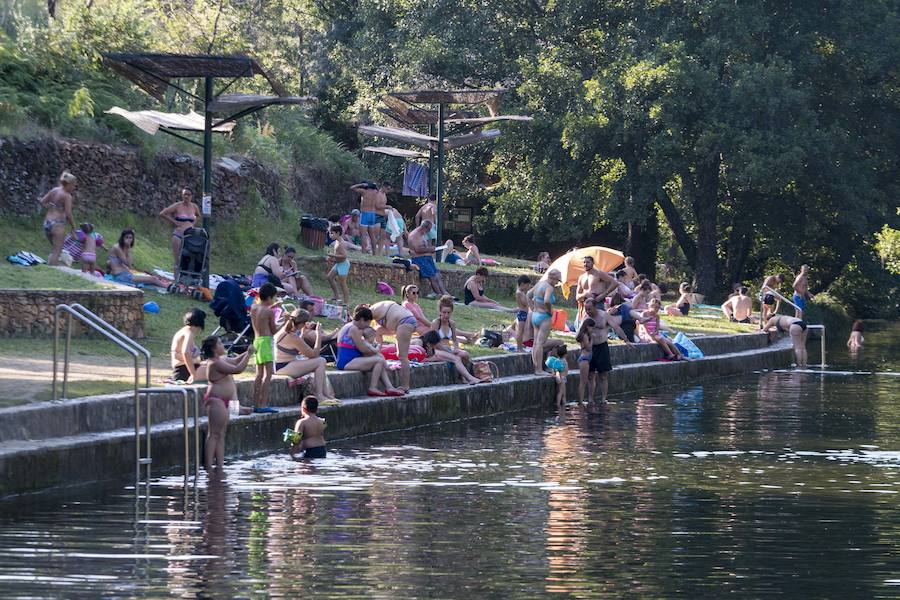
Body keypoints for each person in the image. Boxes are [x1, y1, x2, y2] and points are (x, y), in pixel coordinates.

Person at [199, 335, 255, 471]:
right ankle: (208, 468)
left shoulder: (222, 359)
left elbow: (235, 361)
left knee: (221, 434)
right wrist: (249, 354)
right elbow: (238, 369)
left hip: (225, 402)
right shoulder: (214, 363)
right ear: (213, 349)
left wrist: (247, 351)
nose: (223, 345)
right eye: (220, 344)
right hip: (217, 401)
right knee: (213, 434)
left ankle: (219, 466)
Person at [335, 305, 405, 397]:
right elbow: (363, 349)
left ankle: (389, 387)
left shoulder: (348, 326)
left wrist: (376, 353)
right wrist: (376, 351)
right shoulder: (354, 329)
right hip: (346, 362)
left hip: (350, 359)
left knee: (378, 359)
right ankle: (373, 387)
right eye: (368, 322)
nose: (368, 326)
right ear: (362, 320)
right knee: (378, 360)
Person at [273, 308, 333, 401]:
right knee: (321, 361)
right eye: (306, 322)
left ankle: (327, 395)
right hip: (282, 366)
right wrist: (318, 335)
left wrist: (303, 334)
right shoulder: (293, 337)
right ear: (301, 323)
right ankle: (319, 395)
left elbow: (297, 349)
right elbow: (314, 355)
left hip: (280, 365)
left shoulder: (284, 330)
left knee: (317, 362)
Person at [583, 297, 633, 405]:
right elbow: (580, 332)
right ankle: (590, 399)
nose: (588, 311)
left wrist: (626, 340)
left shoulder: (604, 315)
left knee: (603, 375)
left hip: (602, 347)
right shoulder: (586, 317)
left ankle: (603, 399)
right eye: (586, 309)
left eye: (589, 309)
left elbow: (616, 327)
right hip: (591, 348)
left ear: (595, 307)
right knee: (590, 375)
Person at [370, 300, 418, 392]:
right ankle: (378, 354)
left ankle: (405, 386)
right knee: (377, 331)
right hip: (402, 322)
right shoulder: (378, 310)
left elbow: (363, 330)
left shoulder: (372, 310)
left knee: (402, 356)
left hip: (404, 322)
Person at [159, 188, 201, 276]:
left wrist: (193, 223)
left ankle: (186, 279)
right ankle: (176, 281)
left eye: (188, 194)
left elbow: (198, 216)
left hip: (190, 237)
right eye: (185, 194)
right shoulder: (177, 205)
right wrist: (175, 222)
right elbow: (162, 213)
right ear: (182, 195)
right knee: (177, 260)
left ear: (191, 196)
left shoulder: (194, 207)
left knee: (188, 258)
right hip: (178, 235)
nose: (186, 196)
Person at [250, 283, 279, 413]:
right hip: (267, 342)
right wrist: (285, 321)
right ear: (269, 297)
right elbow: (273, 331)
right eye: (274, 298)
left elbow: (263, 313)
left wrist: (274, 306)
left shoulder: (254, 308)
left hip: (257, 341)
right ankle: (263, 404)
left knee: (258, 375)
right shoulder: (269, 312)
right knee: (268, 375)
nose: (274, 300)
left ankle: (255, 404)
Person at [40, 171, 77, 266]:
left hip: (47, 222)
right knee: (57, 251)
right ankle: (53, 271)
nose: (74, 188)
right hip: (57, 224)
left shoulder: (54, 190)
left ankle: (53, 268)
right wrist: (73, 227)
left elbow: (42, 202)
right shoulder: (67, 195)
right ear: (68, 184)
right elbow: (68, 213)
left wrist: (53, 207)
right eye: (73, 185)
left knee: (55, 249)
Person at [408, 220, 452, 297]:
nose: (429, 231)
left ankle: (445, 293)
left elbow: (423, 247)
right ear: (424, 227)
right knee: (433, 277)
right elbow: (417, 250)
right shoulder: (415, 235)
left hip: (427, 258)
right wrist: (430, 249)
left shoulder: (422, 234)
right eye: (429, 229)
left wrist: (430, 250)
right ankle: (439, 295)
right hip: (420, 259)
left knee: (437, 275)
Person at [531, 268, 562, 375]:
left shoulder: (539, 284)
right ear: (553, 278)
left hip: (535, 315)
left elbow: (528, 295)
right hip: (544, 317)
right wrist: (549, 311)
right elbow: (547, 300)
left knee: (535, 343)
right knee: (540, 343)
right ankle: (539, 370)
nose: (557, 283)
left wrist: (533, 308)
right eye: (558, 280)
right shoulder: (549, 287)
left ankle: (536, 368)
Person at [350, 181, 390, 255]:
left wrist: (361, 184)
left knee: (363, 235)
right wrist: (373, 186)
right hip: (372, 214)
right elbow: (377, 188)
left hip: (365, 214)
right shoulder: (376, 192)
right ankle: (375, 253)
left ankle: (364, 252)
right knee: (372, 236)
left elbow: (352, 188)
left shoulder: (364, 191)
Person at [574, 256, 617, 322]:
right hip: (586, 304)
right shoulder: (581, 277)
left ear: (593, 263)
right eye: (584, 262)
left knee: (598, 324)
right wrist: (585, 294)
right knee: (586, 327)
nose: (585, 264)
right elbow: (577, 296)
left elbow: (615, 283)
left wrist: (603, 295)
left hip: (597, 302)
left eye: (588, 262)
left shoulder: (599, 273)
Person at [171, 308, 206, 382]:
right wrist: (193, 374)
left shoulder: (185, 331)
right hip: (183, 371)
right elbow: (185, 352)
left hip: (182, 370)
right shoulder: (188, 332)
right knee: (216, 368)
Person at [326, 226, 350, 305]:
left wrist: (332, 255)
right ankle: (336, 295)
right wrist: (332, 257)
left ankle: (346, 302)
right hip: (338, 264)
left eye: (332, 233)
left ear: (338, 233)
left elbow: (344, 256)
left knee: (343, 283)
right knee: (329, 277)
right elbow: (338, 254)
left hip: (343, 265)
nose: (330, 235)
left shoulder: (341, 243)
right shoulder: (336, 242)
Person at [575, 318, 595, 406]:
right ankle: (580, 402)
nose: (593, 329)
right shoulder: (584, 336)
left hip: (588, 358)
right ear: (587, 327)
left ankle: (586, 400)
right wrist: (592, 339)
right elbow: (588, 347)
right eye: (592, 328)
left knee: (589, 379)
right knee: (583, 382)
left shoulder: (587, 335)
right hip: (584, 358)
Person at [514, 275, 532, 351]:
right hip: (522, 313)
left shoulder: (520, 292)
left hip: (523, 313)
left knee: (522, 331)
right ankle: (519, 347)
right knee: (520, 331)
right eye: (527, 285)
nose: (528, 287)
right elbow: (524, 303)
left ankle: (520, 345)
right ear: (522, 284)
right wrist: (527, 297)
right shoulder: (520, 293)